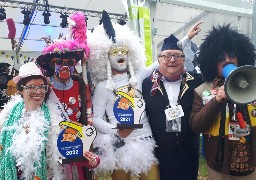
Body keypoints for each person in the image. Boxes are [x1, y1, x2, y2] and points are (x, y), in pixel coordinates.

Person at [87, 10, 201, 180]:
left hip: (145, 142)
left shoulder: (140, 75)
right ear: (105, 57)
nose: (120, 55)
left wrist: (185, 39)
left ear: (130, 54)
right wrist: (116, 130)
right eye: (114, 52)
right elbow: (95, 118)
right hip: (119, 145)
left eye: (123, 51)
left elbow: (164, 59)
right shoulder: (103, 87)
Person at [0, 62, 98, 180]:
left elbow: (65, 149)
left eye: (42, 86)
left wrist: (90, 159)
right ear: (21, 89)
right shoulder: (8, 114)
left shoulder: (54, 117)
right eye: (31, 87)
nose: (38, 91)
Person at [36, 12, 99, 180]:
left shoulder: (81, 86)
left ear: (74, 65)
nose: (65, 66)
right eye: (59, 62)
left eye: (70, 63)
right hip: (52, 147)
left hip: (77, 145)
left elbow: (87, 116)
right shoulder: (43, 86)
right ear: (51, 64)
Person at [189, 24, 256, 179]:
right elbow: (196, 125)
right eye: (220, 57)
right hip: (218, 165)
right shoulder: (202, 90)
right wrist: (216, 101)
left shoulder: (252, 83)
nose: (227, 60)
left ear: (240, 57)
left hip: (250, 165)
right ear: (212, 61)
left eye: (232, 55)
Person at [142, 23, 203, 180]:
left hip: (189, 150)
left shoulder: (196, 81)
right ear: (159, 60)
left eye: (177, 56)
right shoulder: (147, 84)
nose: (172, 60)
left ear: (184, 59)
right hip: (160, 152)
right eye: (167, 56)